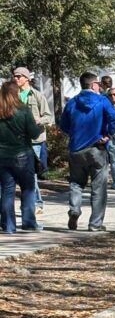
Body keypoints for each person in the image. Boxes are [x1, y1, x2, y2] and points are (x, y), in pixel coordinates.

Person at [59, 71, 115, 231]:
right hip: (97, 148)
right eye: (98, 83)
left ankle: (74, 209)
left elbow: (63, 125)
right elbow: (113, 117)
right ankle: (95, 224)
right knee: (99, 187)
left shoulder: (72, 102)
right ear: (93, 85)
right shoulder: (102, 101)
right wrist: (108, 134)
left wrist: (75, 133)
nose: (99, 86)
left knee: (76, 183)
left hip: (76, 149)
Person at [0, 79, 42, 233]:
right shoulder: (24, 111)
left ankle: (8, 226)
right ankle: (29, 223)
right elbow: (33, 133)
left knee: (7, 190)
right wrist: (38, 127)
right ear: (16, 93)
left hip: (2, 156)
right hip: (23, 155)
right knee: (28, 189)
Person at [13, 67, 53, 214]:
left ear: (26, 78)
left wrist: (38, 120)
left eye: (18, 76)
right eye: (14, 77)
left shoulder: (37, 96)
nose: (16, 79)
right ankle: (30, 203)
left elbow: (48, 117)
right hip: (16, 141)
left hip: (34, 141)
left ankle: (36, 204)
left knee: (30, 173)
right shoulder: (12, 96)